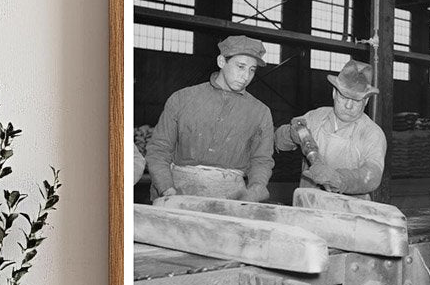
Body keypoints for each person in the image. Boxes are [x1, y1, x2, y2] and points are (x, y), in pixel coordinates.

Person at [145, 35, 274, 201]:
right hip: (179, 191)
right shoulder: (182, 99)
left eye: (252, 70)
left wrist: (257, 188)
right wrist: (166, 189)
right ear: (221, 62)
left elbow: (261, 159)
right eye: (240, 66)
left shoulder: (260, 112)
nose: (246, 76)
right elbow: (159, 149)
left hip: (231, 196)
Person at [275, 59, 386, 198]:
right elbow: (278, 142)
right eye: (344, 97)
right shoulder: (315, 118)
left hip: (351, 212)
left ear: (366, 101)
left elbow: (373, 176)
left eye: (356, 100)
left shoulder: (372, 133)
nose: (348, 106)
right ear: (334, 93)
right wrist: (289, 134)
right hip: (310, 206)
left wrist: (339, 179)